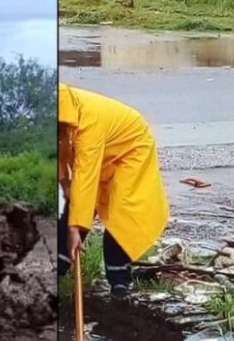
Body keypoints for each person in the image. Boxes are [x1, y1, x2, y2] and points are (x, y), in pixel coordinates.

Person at [57, 83, 169, 297]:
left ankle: (119, 282)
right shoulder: (63, 117)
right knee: (75, 207)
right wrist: (64, 183)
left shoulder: (89, 122)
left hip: (130, 149)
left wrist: (75, 228)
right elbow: (62, 151)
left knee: (121, 213)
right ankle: (58, 269)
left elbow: (85, 175)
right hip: (104, 150)